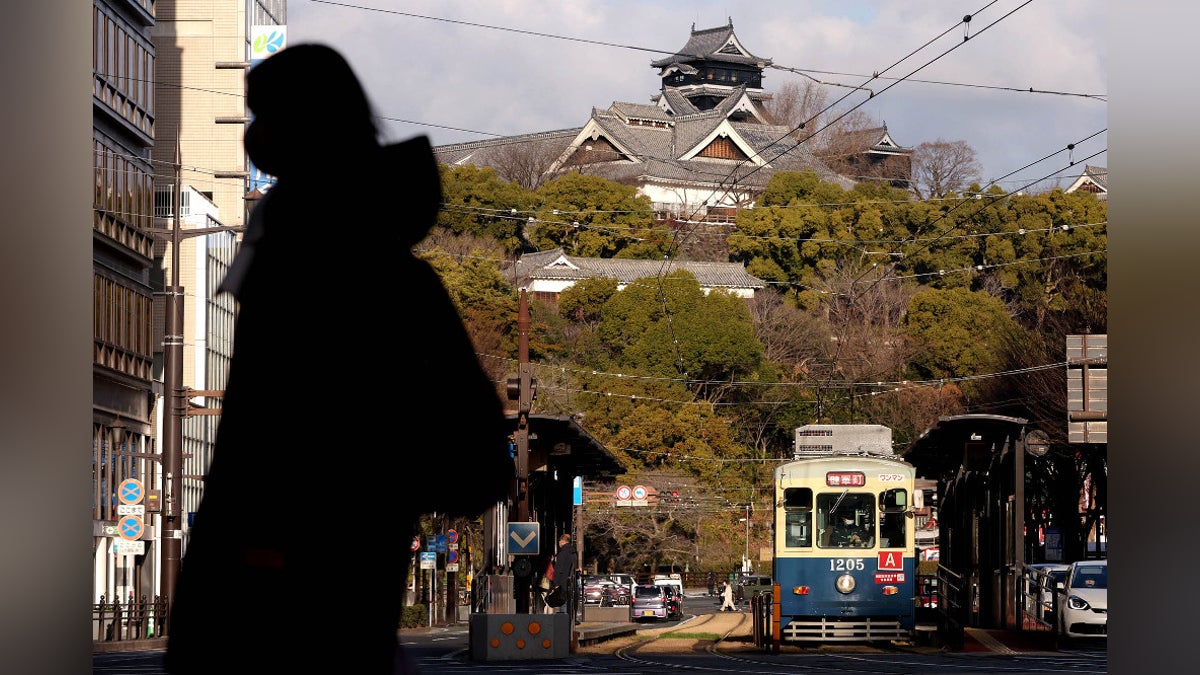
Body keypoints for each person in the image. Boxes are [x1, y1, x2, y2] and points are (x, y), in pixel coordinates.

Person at [164, 44, 514, 675]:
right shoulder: (385, 272)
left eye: (263, 116)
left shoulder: (305, 265)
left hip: (272, 598)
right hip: (349, 597)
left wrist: (356, 490)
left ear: (306, 129)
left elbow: (259, 448)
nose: (252, 136)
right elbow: (480, 458)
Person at [550, 533, 579, 614]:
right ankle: (569, 620)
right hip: (571, 581)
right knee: (569, 602)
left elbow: (559, 569)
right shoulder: (573, 553)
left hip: (563, 582)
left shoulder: (562, 554)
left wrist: (555, 582)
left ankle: (564, 622)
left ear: (562, 541)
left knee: (563, 602)